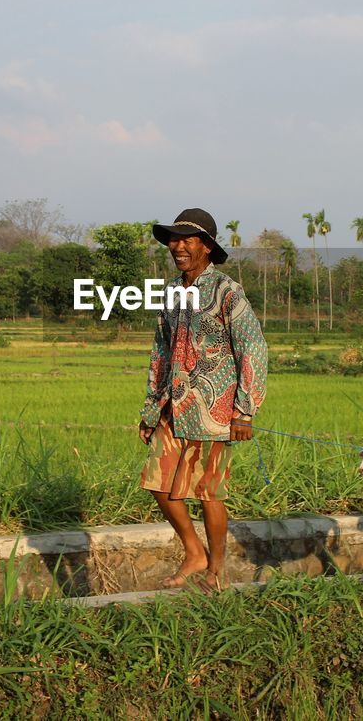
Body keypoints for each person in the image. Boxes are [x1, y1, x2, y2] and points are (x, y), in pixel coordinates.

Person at [138, 208, 268, 593]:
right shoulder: (172, 292)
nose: (178, 246)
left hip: (215, 413)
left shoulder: (227, 292)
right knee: (159, 486)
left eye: (187, 239)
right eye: (173, 239)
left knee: (208, 493)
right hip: (173, 407)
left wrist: (245, 411)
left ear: (207, 247)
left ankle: (216, 568)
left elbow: (253, 349)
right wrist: (150, 408)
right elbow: (161, 351)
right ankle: (193, 553)